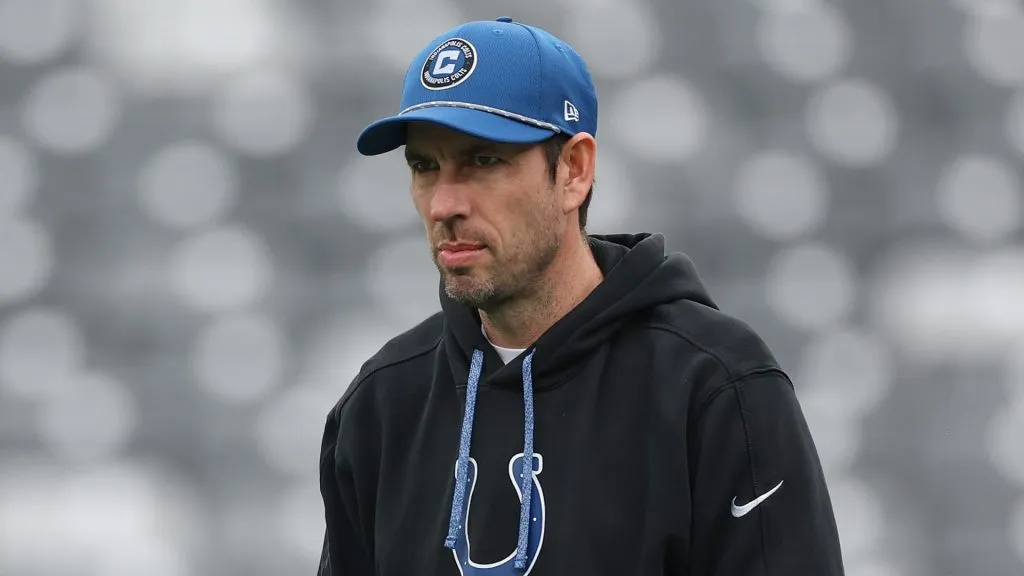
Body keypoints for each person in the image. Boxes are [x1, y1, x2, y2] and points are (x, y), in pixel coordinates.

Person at [318, 16, 846, 576]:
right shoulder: (380, 403)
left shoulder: (714, 385)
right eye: (425, 166)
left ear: (574, 170)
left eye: (483, 161)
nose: (444, 203)